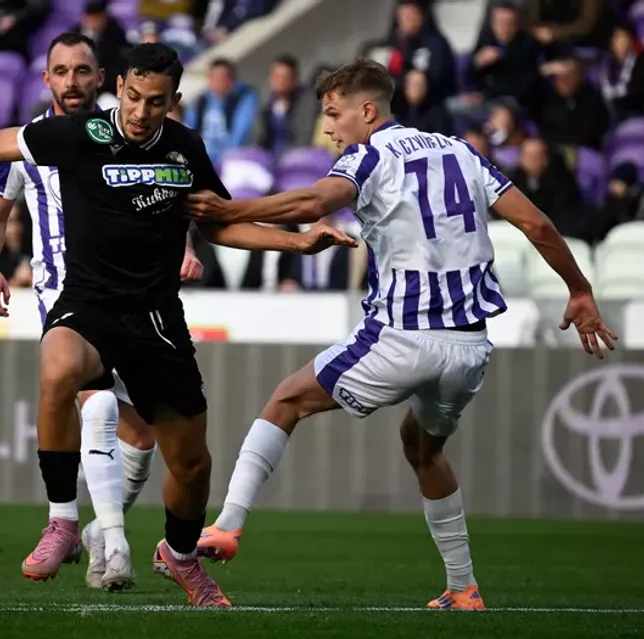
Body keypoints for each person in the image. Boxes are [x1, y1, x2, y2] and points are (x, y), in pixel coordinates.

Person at [0, 42, 357, 608]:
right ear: (120, 87)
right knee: (59, 368)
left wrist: (297, 243)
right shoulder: (80, 134)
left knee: (192, 464)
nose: (140, 112)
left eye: (155, 102)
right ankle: (62, 520)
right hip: (88, 304)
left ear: (173, 100)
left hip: (156, 317)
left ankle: (179, 555)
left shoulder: (185, 148)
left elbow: (219, 224)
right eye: (133, 97)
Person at [186, 58, 616, 610]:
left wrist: (230, 208)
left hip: (404, 336)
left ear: (368, 111)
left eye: (334, 114)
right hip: (469, 348)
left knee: (286, 401)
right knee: (423, 446)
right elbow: (535, 222)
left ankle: (227, 526)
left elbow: (313, 202)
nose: (328, 128)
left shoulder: (368, 156)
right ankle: (463, 588)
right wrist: (579, 290)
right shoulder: (462, 151)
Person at [0, 32, 206, 592]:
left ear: (103, 78)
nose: (72, 81)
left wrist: (185, 245)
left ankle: (100, 531)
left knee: (142, 435)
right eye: (61, 71)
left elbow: (164, 198)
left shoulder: (121, 131)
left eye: (82, 70)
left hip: (133, 294)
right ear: (46, 79)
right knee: (95, 402)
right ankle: (104, 542)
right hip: (65, 290)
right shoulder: (31, 141)